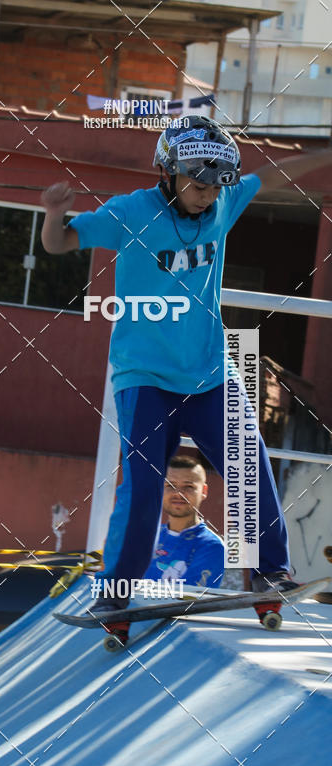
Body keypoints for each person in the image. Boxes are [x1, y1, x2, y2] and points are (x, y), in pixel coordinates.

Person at [41, 116, 332, 634]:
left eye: (214, 187)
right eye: (197, 185)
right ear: (168, 173)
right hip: (145, 377)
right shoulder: (132, 211)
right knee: (144, 488)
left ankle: (268, 574)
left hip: (210, 374)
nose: (205, 197)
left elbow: (278, 177)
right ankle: (116, 592)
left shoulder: (222, 203)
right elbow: (60, 243)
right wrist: (54, 214)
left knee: (248, 467)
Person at [143, 455, 224, 589]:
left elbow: (188, 603)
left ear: (204, 491)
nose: (178, 494)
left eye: (188, 486)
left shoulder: (211, 546)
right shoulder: (145, 536)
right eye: (170, 485)